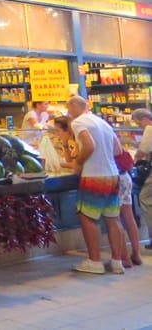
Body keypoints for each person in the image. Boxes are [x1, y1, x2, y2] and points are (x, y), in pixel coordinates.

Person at [66, 95, 125, 274]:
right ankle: (117, 261)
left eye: (69, 109)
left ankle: (95, 261)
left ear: (75, 106)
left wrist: (79, 162)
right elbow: (118, 150)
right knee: (113, 219)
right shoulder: (103, 123)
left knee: (88, 218)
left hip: (94, 176)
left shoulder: (79, 122)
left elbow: (89, 145)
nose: (68, 113)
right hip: (112, 174)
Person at [132, 109, 152, 251]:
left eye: (139, 123)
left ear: (145, 118)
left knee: (145, 199)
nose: (140, 127)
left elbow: (143, 149)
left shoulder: (149, 128)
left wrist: (136, 157)